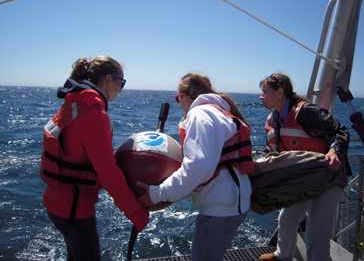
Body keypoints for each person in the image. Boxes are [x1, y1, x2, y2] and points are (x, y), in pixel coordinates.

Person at [40, 56, 149, 260]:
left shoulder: (74, 103)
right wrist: (138, 214)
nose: (122, 89)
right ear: (108, 79)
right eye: (121, 82)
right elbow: (108, 175)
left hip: (57, 205)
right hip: (75, 211)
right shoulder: (94, 114)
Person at [137, 72, 254, 261]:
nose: (179, 103)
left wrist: (157, 193)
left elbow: (199, 165)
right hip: (235, 205)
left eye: (177, 98)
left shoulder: (200, 114)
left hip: (219, 210)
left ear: (184, 95)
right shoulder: (220, 112)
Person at [258, 73, 351, 261]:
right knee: (287, 219)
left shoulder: (307, 112)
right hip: (304, 180)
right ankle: (283, 255)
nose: (261, 96)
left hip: (329, 177)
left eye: (265, 92)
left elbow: (340, 132)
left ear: (280, 92)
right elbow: (270, 150)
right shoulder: (272, 121)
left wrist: (334, 152)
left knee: (317, 231)